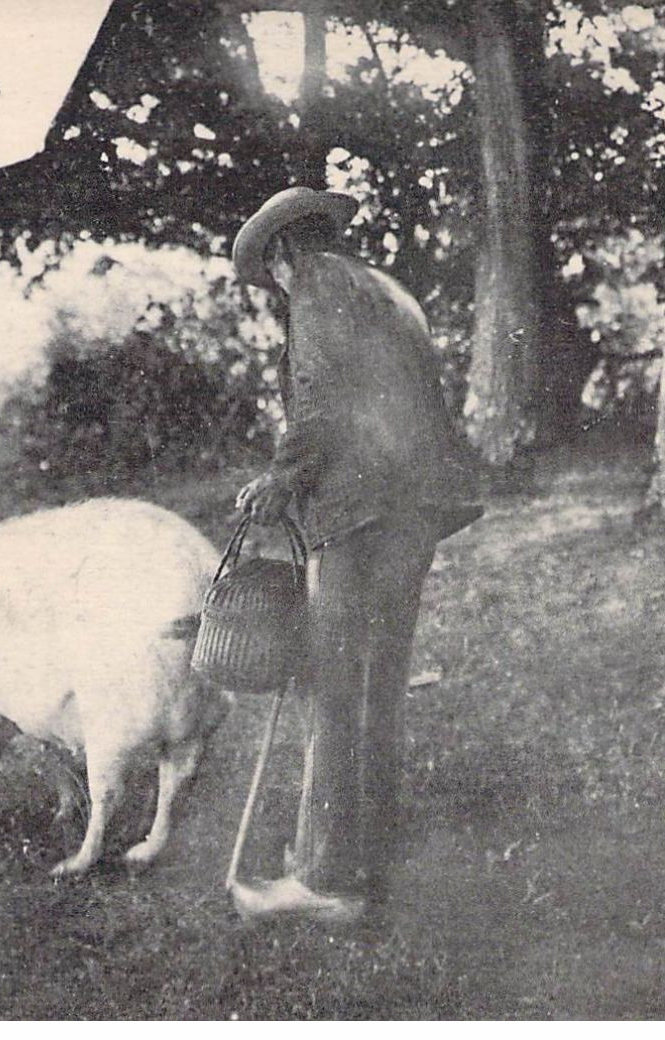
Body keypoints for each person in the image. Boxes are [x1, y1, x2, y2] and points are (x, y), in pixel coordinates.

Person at [230, 187, 483, 922]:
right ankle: (357, 850)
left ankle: (327, 883)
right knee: (376, 681)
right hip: (412, 504)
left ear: (281, 252)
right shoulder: (382, 288)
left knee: (335, 686)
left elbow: (321, 400)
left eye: (269, 274)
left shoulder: (314, 284)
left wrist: (283, 477)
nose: (275, 287)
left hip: (360, 511)